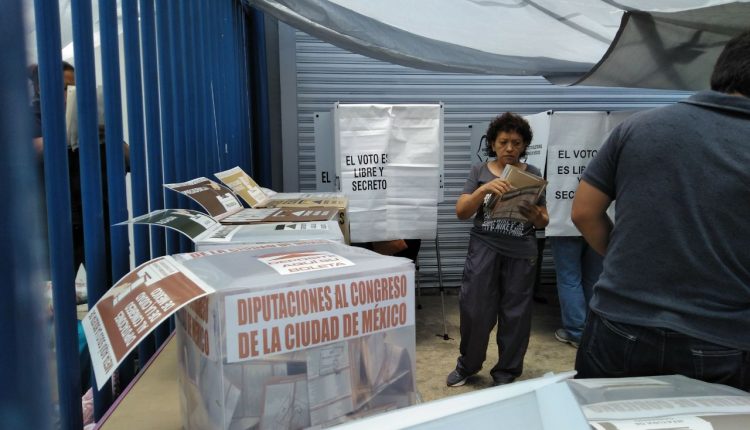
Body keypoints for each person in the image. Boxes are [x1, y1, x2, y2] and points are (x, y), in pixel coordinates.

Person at [571, 30, 750, 391]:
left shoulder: (638, 127)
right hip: (722, 338)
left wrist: (626, 260)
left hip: (617, 325)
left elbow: (584, 212)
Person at [446, 112, 548, 387]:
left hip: (521, 251)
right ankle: (468, 365)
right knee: (475, 310)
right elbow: (461, 212)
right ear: (492, 143)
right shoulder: (479, 171)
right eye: (503, 142)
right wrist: (483, 191)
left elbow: (543, 220)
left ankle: (506, 373)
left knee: (516, 315)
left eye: (516, 142)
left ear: (524, 145)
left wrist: (534, 213)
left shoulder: (534, 175)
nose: (510, 148)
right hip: (484, 249)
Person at [548, 235, 602, 348]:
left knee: (569, 280)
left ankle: (576, 333)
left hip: (566, 227)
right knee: (593, 278)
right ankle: (591, 330)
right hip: (599, 222)